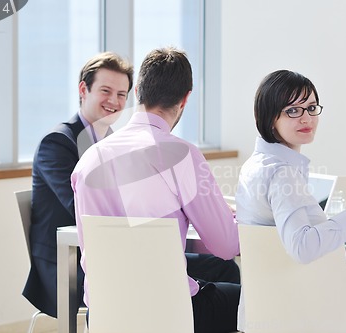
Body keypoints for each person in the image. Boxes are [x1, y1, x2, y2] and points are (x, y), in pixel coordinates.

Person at [72, 47, 241, 333]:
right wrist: (232, 217)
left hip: (104, 314)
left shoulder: (88, 159)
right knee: (247, 303)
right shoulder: (182, 155)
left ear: (137, 91)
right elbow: (226, 247)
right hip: (168, 315)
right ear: (186, 98)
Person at [235, 69, 346, 333]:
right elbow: (303, 246)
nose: (306, 118)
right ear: (271, 117)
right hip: (304, 313)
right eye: (292, 110)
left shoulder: (257, 164)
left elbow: (303, 232)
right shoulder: (283, 174)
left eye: (311, 107)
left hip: (265, 313)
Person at [23, 52, 134, 317]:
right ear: (83, 89)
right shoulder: (57, 143)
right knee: (167, 276)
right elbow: (82, 209)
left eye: (121, 94)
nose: (114, 101)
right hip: (66, 266)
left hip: (107, 252)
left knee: (213, 267)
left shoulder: (115, 143)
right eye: (105, 91)